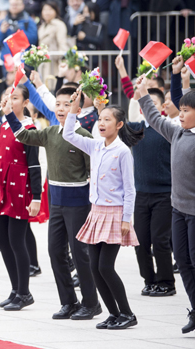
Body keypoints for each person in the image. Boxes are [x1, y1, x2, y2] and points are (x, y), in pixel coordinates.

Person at [6, 85, 102, 319]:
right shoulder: (49, 133)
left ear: (78, 108)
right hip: (56, 201)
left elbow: (94, 174)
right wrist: (9, 113)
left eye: (67, 104)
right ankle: (68, 302)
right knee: (55, 252)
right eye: (57, 104)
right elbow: (23, 136)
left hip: (78, 202)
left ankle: (91, 303)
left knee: (80, 254)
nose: (60, 108)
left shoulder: (84, 137)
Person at [63, 91, 141, 330]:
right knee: (95, 269)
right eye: (100, 118)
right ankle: (114, 314)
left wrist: (127, 219)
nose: (102, 122)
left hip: (115, 214)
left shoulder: (123, 152)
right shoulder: (95, 146)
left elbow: (130, 189)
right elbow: (68, 133)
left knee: (105, 267)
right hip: (96, 213)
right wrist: (74, 108)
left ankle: (128, 314)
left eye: (108, 119)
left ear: (119, 124)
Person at [136, 78, 195, 335]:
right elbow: (156, 120)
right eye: (180, 110)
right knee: (182, 260)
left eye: (186, 111)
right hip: (177, 210)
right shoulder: (177, 132)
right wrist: (142, 96)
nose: (180, 114)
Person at [0, 86, 43, 311]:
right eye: (6, 98)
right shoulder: (5, 124)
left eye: (15, 98)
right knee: (2, 240)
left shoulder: (29, 128)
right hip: (2, 187)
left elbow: (34, 164)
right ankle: (16, 289)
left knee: (17, 241)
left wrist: (36, 197)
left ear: (26, 103)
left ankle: (25, 292)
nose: (9, 102)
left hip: (19, 188)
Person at [122, 87, 175, 297]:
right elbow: (113, 126)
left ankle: (167, 282)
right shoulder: (135, 129)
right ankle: (150, 280)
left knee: (160, 240)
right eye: (142, 102)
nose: (145, 106)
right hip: (141, 194)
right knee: (140, 240)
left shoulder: (169, 129)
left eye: (149, 102)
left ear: (161, 107)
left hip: (164, 194)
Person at [37, 1, 68, 79]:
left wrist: (63, 61)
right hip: (43, 62)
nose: (47, 12)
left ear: (55, 11)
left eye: (50, 9)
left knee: (53, 85)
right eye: (45, 10)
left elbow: (62, 44)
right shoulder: (42, 26)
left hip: (54, 62)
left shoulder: (59, 25)